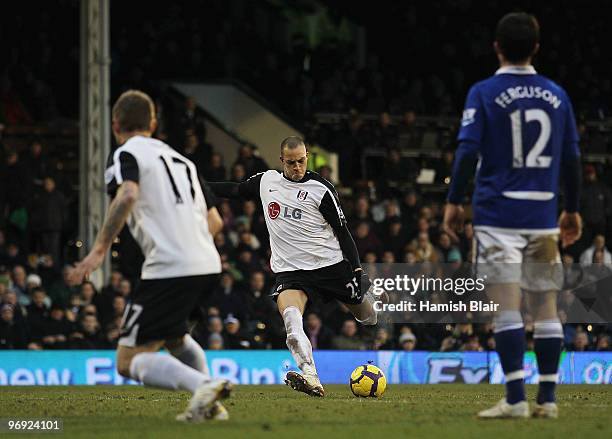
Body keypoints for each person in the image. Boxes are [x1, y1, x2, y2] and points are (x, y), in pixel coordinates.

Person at [443, 13, 582, 419]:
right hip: (542, 213)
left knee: (506, 307)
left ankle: (517, 399)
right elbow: (572, 157)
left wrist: (454, 201)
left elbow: (468, 151)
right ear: (536, 48)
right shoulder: (557, 95)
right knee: (545, 306)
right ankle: (550, 401)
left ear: (497, 47)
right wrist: (571, 209)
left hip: (498, 214)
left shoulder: (483, 92)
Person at [67, 90, 230, 423]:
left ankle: (205, 386)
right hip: (208, 263)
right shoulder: (182, 161)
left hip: (170, 267)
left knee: (127, 361)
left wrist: (98, 251)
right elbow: (215, 221)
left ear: (115, 125)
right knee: (174, 337)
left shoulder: (126, 153)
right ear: (153, 124)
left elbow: (127, 193)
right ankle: (209, 407)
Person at [209, 136, 379, 397]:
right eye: (291, 163)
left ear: (307, 157)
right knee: (291, 322)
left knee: (368, 316)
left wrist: (356, 270)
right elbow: (234, 190)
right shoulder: (267, 182)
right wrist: (196, 185)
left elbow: (343, 232)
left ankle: (370, 295)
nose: (297, 167)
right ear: (282, 161)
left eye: (301, 161)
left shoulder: (321, 189)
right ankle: (311, 377)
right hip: (291, 272)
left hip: (330, 266)